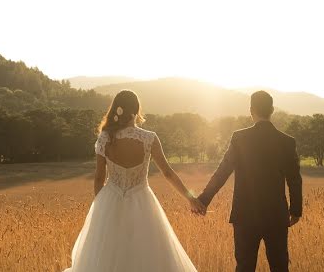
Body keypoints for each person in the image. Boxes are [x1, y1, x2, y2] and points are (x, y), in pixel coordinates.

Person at [64, 89, 203, 272]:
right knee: (147, 253)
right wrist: (190, 198)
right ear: (137, 111)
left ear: (117, 110)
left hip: (110, 200)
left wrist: (100, 207)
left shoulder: (105, 137)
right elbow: (168, 173)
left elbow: (99, 177)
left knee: (106, 254)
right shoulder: (149, 138)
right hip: (142, 201)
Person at [195, 90, 303, 272]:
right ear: (272, 110)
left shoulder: (240, 138)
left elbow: (223, 172)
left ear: (251, 110)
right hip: (276, 215)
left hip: (244, 214)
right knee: (279, 266)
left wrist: (203, 200)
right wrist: (296, 210)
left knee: (244, 266)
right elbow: (294, 179)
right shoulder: (287, 142)